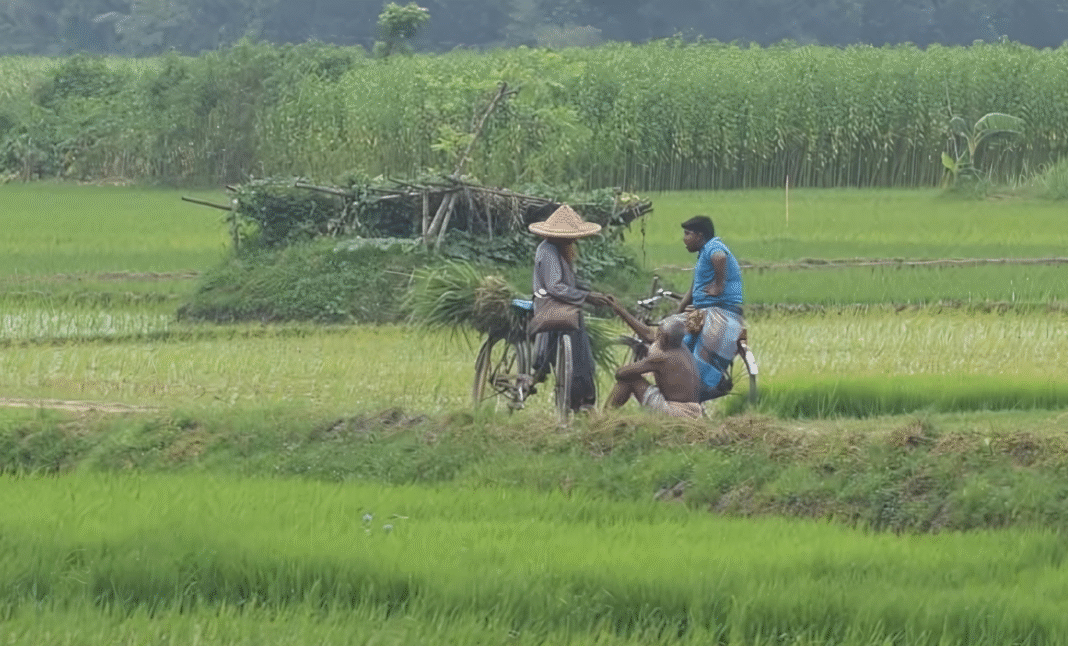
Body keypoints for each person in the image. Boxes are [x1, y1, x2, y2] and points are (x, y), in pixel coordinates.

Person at [529, 204, 609, 412]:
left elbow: (568, 284)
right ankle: (576, 398)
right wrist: (587, 297)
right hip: (550, 305)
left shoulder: (562, 250)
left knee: (581, 349)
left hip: (566, 305)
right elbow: (555, 287)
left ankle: (582, 399)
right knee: (575, 345)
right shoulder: (548, 251)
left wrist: (590, 293)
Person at [677, 215, 745, 401]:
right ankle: (679, 385)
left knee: (699, 352)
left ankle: (703, 387)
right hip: (703, 310)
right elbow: (694, 288)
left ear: (700, 235)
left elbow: (720, 257)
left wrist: (719, 286)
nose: (684, 238)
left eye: (687, 233)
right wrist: (679, 309)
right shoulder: (702, 255)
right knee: (679, 341)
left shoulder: (713, 247)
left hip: (719, 310)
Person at [602, 301, 703, 418]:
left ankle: (603, 419)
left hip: (676, 412)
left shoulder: (661, 358)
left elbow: (621, 373)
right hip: (694, 411)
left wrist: (624, 368)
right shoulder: (680, 347)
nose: (656, 333)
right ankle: (605, 418)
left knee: (629, 380)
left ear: (663, 339)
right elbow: (649, 334)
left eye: (659, 331)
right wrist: (620, 310)